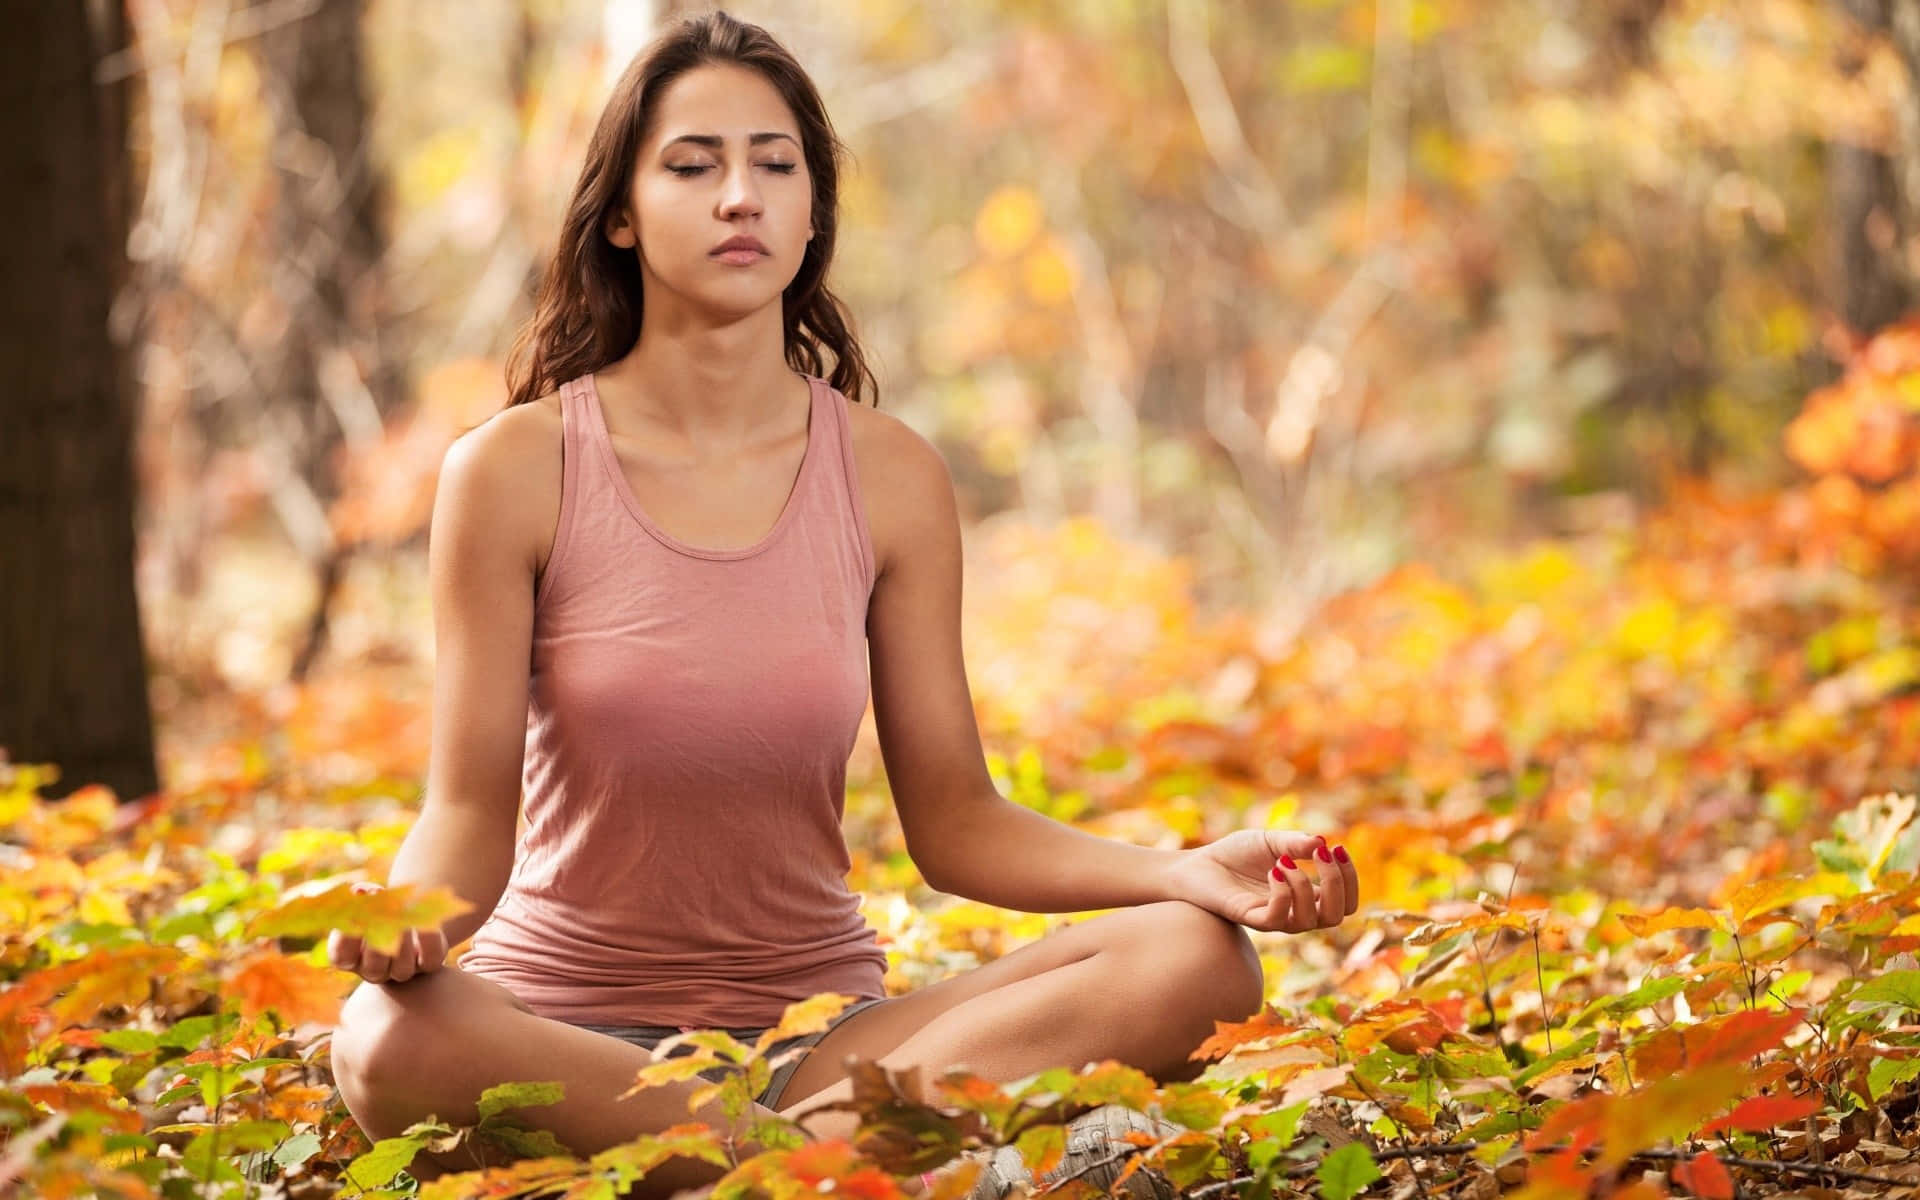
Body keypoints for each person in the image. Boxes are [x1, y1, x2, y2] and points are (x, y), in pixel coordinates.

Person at [324, 10, 1360, 1198]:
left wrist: (1185, 873)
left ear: (814, 211)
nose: (738, 198)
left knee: (1200, 961)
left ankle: (759, 1165)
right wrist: (407, 924)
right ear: (618, 211)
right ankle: (845, 1171)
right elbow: (463, 815)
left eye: (775, 164)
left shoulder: (891, 475)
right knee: (386, 1036)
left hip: (824, 1045)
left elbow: (959, 823)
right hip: (560, 1039)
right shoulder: (511, 471)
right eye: (693, 164)